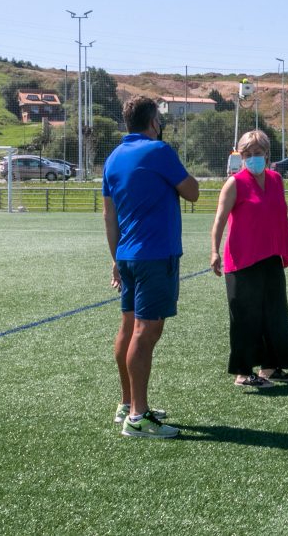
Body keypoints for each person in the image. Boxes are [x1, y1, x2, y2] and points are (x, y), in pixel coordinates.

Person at [103, 96, 200, 438]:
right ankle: (138, 417)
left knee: (128, 327)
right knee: (146, 334)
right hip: (155, 256)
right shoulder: (159, 151)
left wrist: (116, 259)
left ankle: (127, 404)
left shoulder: (113, 158)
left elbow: (109, 215)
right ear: (153, 122)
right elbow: (193, 192)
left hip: (128, 256)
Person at [210, 130, 288, 388]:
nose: (252, 158)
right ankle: (243, 373)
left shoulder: (276, 180)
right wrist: (214, 251)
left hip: (272, 257)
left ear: (267, 154)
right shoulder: (235, 183)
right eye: (247, 154)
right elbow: (219, 220)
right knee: (245, 317)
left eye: (257, 153)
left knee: (275, 315)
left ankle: (271, 368)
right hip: (241, 260)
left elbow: (282, 218)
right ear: (241, 157)